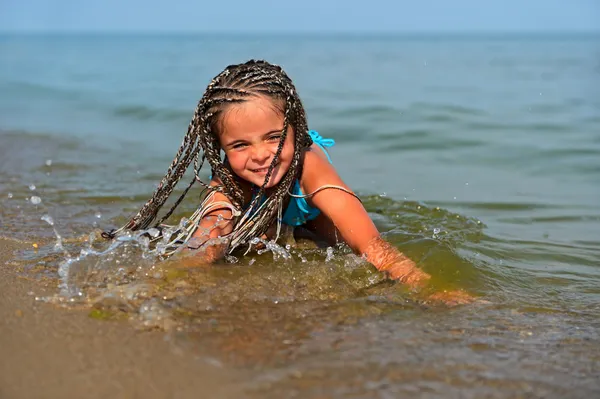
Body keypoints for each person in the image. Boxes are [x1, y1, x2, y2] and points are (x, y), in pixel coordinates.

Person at [105, 60, 467, 298]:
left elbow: (376, 248)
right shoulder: (230, 178)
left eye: (274, 137)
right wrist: (168, 283)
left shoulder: (310, 167)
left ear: (297, 130)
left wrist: (433, 290)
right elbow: (206, 238)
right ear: (221, 149)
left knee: (345, 242)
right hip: (258, 208)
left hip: (308, 207)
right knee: (232, 238)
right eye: (240, 144)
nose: (260, 154)